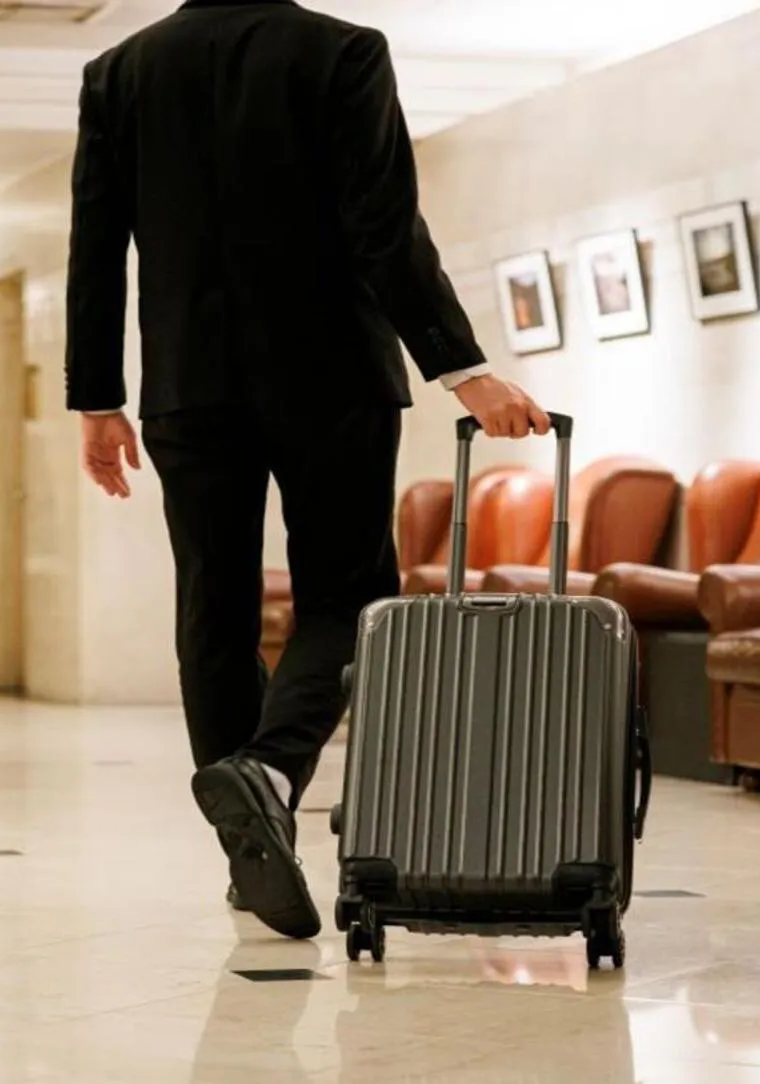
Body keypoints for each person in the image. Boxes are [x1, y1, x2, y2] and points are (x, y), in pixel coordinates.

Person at [65, 0, 550, 940]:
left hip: (187, 383)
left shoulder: (120, 72)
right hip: (329, 375)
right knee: (346, 594)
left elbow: (96, 244)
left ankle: (251, 853)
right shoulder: (341, 52)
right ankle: (274, 773)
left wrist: (97, 397)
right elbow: (382, 223)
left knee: (213, 606)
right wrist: (463, 368)